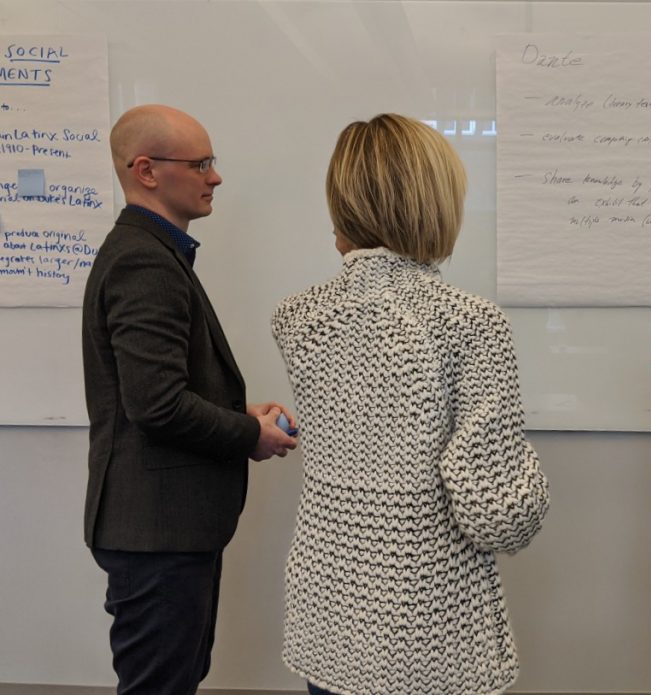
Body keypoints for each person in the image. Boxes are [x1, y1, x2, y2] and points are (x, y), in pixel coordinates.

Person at [271, 113, 550, 695]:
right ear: (434, 203)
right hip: (426, 620)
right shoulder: (470, 322)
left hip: (329, 602)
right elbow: (499, 514)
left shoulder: (299, 317)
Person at [81, 104, 298, 694]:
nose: (215, 176)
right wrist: (249, 434)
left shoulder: (156, 251)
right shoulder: (143, 259)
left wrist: (235, 414)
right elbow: (155, 405)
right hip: (156, 531)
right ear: (147, 171)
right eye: (200, 163)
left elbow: (161, 392)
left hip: (164, 530)